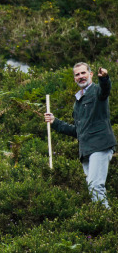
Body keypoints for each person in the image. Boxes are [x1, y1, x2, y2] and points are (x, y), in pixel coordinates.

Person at [45, 63, 116, 208]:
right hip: (85, 151)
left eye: (83, 73)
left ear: (90, 74)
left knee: (96, 186)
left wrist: (104, 78)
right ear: (74, 79)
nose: (80, 77)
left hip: (100, 145)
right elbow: (77, 131)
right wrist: (55, 122)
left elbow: (105, 90)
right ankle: (104, 219)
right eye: (77, 75)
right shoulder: (77, 102)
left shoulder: (97, 90)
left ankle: (107, 221)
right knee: (92, 187)